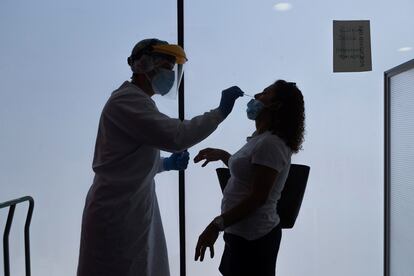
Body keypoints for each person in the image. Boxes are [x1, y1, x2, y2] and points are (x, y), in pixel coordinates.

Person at [77, 38, 244, 276]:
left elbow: (127, 161)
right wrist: (219, 113)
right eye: (166, 67)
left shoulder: (141, 103)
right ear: (144, 64)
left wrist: (164, 164)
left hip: (134, 207)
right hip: (116, 212)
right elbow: (177, 136)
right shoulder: (126, 100)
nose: (170, 74)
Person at [194, 80, 305, 276]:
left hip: (253, 239)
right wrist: (222, 155)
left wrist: (215, 225)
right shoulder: (260, 138)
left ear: (276, 105)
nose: (255, 96)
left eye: (264, 93)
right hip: (239, 233)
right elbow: (248, 173)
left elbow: (258, 197)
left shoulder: (271, 143)